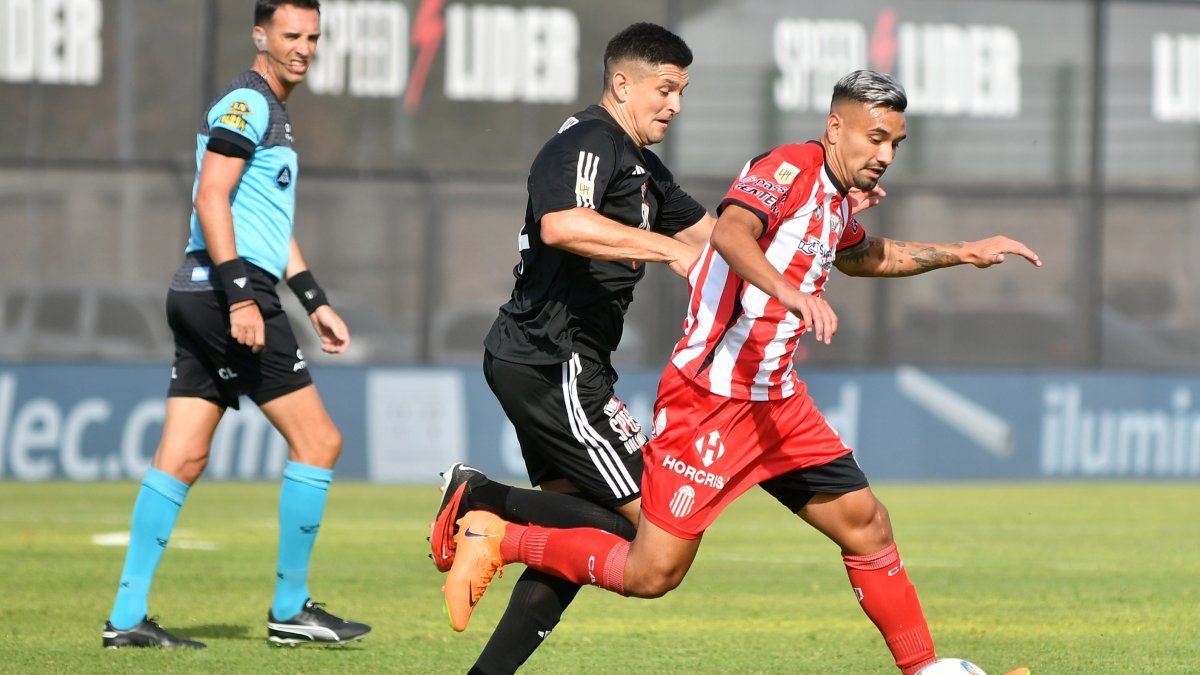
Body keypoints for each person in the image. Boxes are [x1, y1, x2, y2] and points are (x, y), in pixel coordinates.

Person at [444, 70, 1042, 674]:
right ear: (836, 127)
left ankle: (926, 669)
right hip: (711, 401)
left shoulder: (835, 195)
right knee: (653, 572)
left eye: (895, 144)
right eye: (876, 138)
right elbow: (732, 229)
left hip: (778, 404)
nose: (885, 155)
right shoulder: (788, 167)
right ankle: (501, 532)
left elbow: (864, 255)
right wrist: (790, 291)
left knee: (867, 524)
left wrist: (963, 252)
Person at [429, 22, 715, 673]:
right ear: (621, 83)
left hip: (555, 361)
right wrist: (668, 248)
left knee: (572, 535)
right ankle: (482, 501)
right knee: (653, 531)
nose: (674, 104)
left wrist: (825, 215)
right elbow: (563, 223)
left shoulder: (643, 167)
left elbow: (720, 235)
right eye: (664, 89)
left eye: (682, 91)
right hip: (553, 360)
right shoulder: (588, 142)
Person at [102, 0, 369, 649]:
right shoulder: (248, 105)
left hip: (202, 288)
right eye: (291, 35)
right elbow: (210, 195)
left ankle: (127, 617)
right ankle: (289, 608)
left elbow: (269, 227)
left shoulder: (272, 111)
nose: (304, 47)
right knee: (320, 442)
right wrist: (244, 298)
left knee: (184, 453)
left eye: (312, 36)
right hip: (227, 293)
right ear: (260, 35)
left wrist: (314, 300)